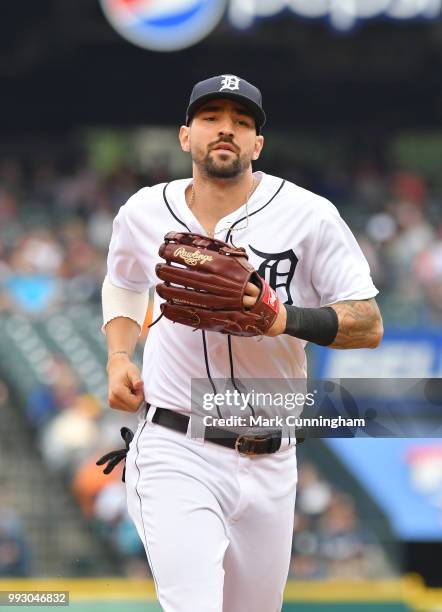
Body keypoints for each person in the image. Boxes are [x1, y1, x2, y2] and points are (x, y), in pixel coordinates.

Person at [101, 74, 383, 612]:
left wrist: (285, 318)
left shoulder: (310, 214)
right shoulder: (142, 212)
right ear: (186, 136)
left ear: (257, 144)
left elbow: (367, 323)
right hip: (176, 443)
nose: (225, 129)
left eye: (241, 122)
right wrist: (119, 354)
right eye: (211, 118)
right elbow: (123, 280)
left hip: (273, 457)